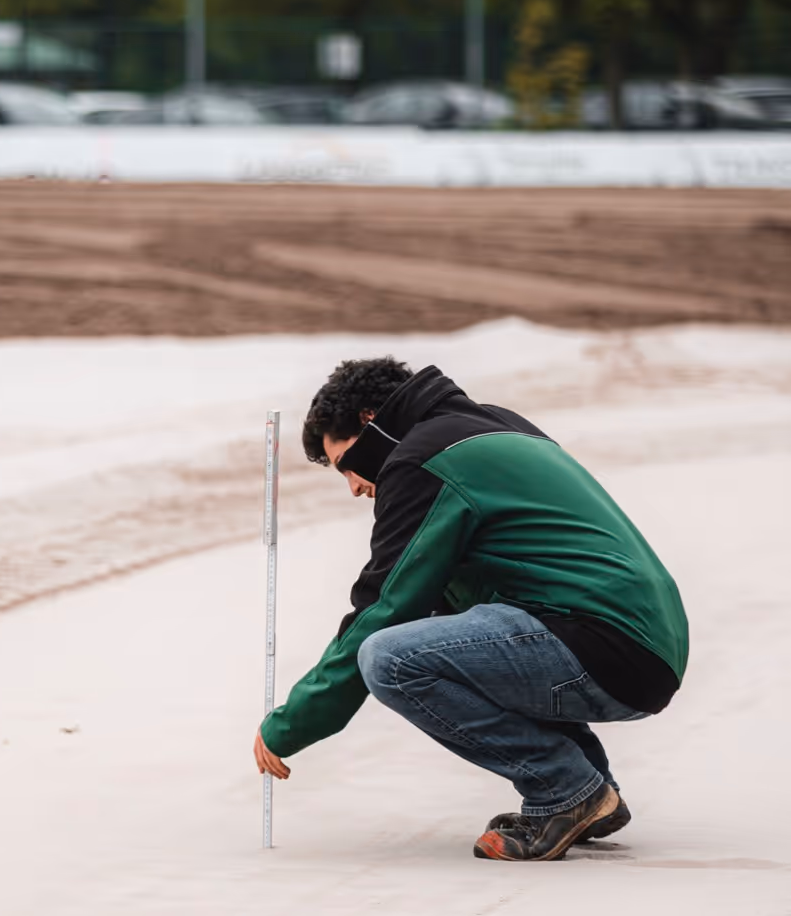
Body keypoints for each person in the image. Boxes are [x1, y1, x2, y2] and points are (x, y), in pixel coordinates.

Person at [252, 357, 687, 860]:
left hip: (602, 639)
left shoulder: (421, 459)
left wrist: (294, 721)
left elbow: (385, 606)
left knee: (389, 658)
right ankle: (593, 793)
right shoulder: (494, 425)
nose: (353, 486)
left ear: (371, 422)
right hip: (641, 643)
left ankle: (567, 790)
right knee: (451, 638)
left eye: (347, 464)